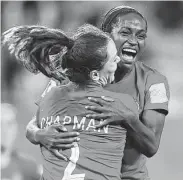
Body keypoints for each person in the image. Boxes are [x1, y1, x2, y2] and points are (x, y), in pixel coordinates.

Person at [5, 5, 170, 180]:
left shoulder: (153, 82)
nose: (134, 41)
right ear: (105, 35)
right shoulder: (68, 76)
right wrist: (41, 135)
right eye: (125, 33)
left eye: (141, 35)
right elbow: (32, 127)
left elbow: (151, 145)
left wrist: (128, 117)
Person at [1, 103, 42, 180]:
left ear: (15, 129)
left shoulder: (28, 166)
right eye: (0, 124)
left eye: (9, 124)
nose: (4, 130)